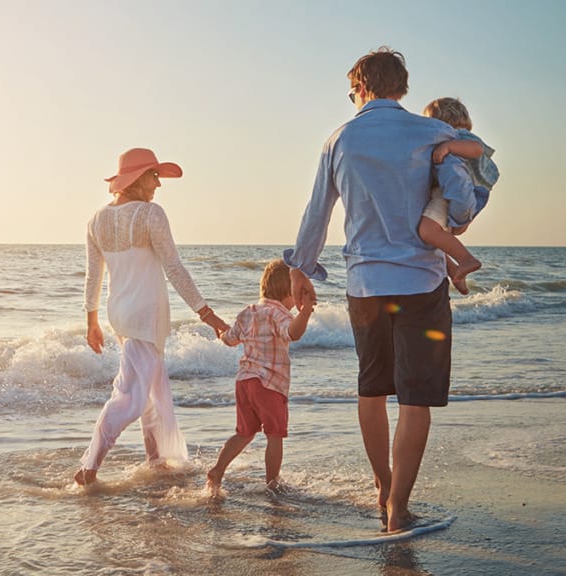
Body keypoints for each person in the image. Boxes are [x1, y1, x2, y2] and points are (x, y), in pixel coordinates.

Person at [284, 47, 476, 532]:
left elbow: (317, 213)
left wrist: (301, 268)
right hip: (421, 283)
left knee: (372, 390)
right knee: (415, 398)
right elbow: (460, 200)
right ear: (401, 87)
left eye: (352, 91)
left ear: (363, 87)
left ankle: (382, 485)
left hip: (365, 285)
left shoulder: (339, 139)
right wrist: (455, 217)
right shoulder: (433, 131)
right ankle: (398, 510)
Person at [77, 147, 229, 486]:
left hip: (120, 314)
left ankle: (155, 459)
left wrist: (92, 322)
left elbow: (93, 277)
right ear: (136, 178)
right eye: (154, 175)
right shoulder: (150, 215)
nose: (158, 184)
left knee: (152, 391)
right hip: (146, 315)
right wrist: (207, 314)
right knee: (130, 396)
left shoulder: (95, 220)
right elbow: (174, 267)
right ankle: (90, 465)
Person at [206, 259, 315, 495]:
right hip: (269, 385)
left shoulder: (248, 312)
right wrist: (306, 312)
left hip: (244, 382)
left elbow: (229, 339)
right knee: (275, 435)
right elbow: (293, 333)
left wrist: (220, 330)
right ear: (289, 291)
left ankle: (217, 470)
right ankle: (272, 484)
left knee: (244, 432)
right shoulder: (279, 314)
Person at [417, 97, 500, 294]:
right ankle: (454, 271)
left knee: (427, 231)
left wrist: (448, 147)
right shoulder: (452, 139)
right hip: (456, 194)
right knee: (434, 237)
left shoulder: (459, 136)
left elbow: (477, 150)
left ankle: (466, 260)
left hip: (453, 194)